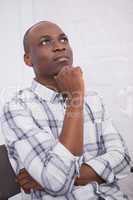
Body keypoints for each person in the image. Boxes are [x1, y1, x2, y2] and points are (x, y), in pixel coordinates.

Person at [1, 21, 131, 200]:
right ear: (28, 59)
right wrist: (75, 98)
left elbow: (123, 160)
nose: (59, 47)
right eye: (45, 42)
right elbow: (57, 184)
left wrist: (60, 178)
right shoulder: (17, 108)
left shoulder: (93, 99)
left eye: (64, 40)